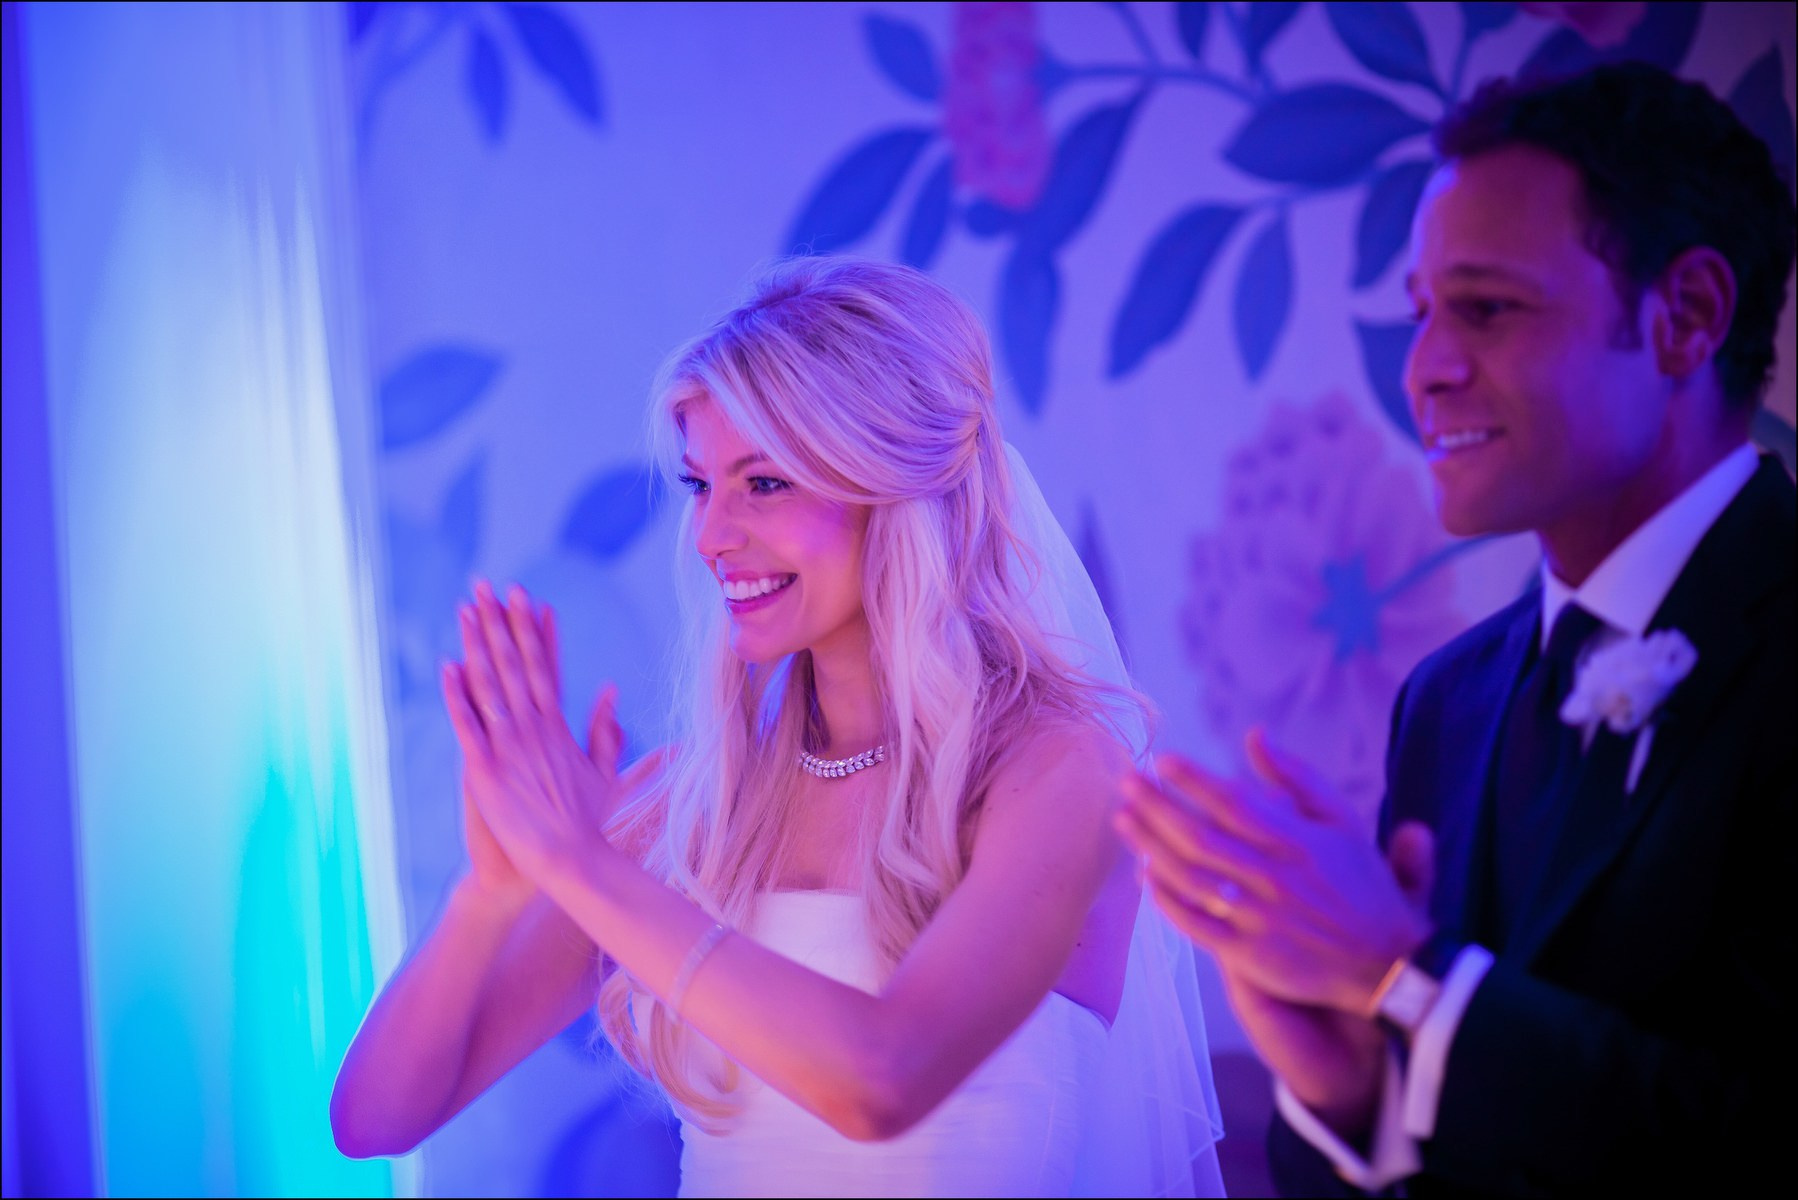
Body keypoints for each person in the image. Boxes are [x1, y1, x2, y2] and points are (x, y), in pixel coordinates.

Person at [332, 258, 1224, 1196]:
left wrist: (582, 865)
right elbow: (375, 1119)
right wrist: (494, 891)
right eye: (700, 485)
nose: (711, 534)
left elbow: (886, 1079)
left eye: (763, 483)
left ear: (891, 485)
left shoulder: (1056, 774)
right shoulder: (693, 807)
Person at [1116, 63, 1795, 1195]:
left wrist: (1407, 981)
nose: (1424, 370)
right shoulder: (1448, 701)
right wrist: (1345, 1091)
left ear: (1685, 317)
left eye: (1486, 308)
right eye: (1420, 312)